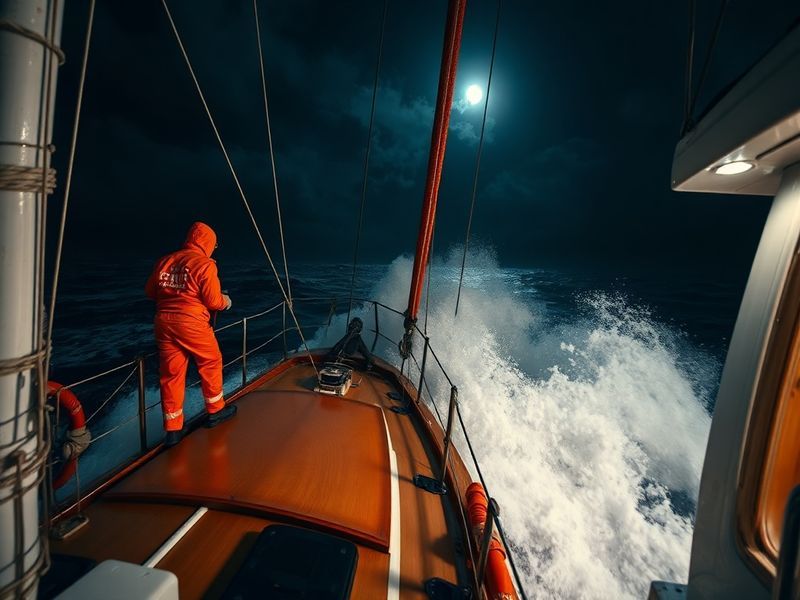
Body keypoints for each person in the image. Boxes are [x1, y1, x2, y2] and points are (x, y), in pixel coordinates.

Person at [145, 222, 237, 447]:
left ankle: (173, 430)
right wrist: (226, 301)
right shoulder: (205, 264)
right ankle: (216, 411)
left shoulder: (165, 260)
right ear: (208, 243)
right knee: (210, 361)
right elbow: (213, 301)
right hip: (192, 323)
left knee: (171, 375)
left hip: (164, 323)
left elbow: (150, 292)